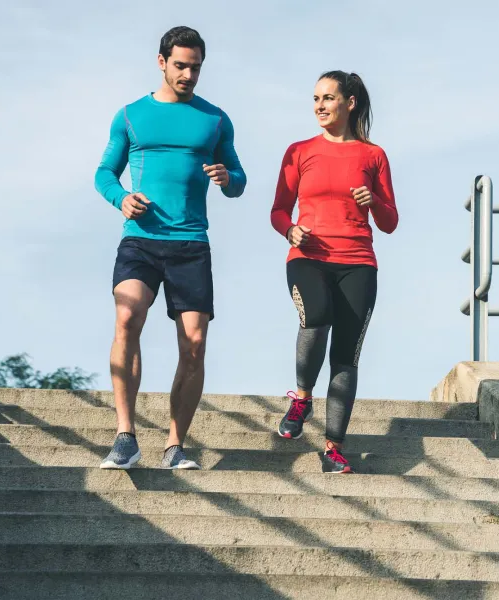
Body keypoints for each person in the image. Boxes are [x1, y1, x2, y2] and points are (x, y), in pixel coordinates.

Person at [94, 26, 246, 470]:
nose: (188, 75)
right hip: (140, 239)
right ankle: (125, 436)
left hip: (191, 243)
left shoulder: (215, 119)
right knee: (127, 316)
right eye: (180, 65)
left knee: (194, 343)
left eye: (195, 67)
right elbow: (104, 173)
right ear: (161, 62)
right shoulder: (130, 115)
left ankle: (174, 445)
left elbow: (238, 180)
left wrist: (227, 178)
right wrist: (121, 198)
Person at [270, 71, 398, 474]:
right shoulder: (299, 151)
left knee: (346, 355)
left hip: (358, 262)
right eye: (315, 99)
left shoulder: (373, 155)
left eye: (328, 98)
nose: (320, 106)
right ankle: (302, 398)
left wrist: (373, 199)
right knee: (317, 315)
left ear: (349, 103)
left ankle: (334, 448)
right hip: (307, 256)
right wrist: (290, 230)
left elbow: (390, 222)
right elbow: (278, 210)